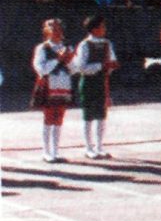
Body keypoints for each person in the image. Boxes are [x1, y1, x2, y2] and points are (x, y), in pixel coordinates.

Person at [73, 15, 119, 159]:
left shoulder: (107, 43)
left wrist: (112, 66)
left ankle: (99, 147)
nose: (104, 29)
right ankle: (88, 148)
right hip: (88, 82)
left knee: (101, 115)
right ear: (94, 29)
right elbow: (80, 67)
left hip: (102, 81)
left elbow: (112, 60)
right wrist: (101, 66)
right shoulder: (84, 45)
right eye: (102, 26)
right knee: (88, 116)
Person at [32, 19, 75, 163]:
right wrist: (58, 59)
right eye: (53, 28)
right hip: (49, 86)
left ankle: (56, 152)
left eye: (59, 28)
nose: (57, 31)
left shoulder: (67, 47)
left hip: (64, 85)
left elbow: (75, 69)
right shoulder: (42, 48)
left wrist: (69, 61)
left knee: (59, 119)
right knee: (49, 118)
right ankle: (46, 152)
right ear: (46, 31)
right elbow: (40, 68)